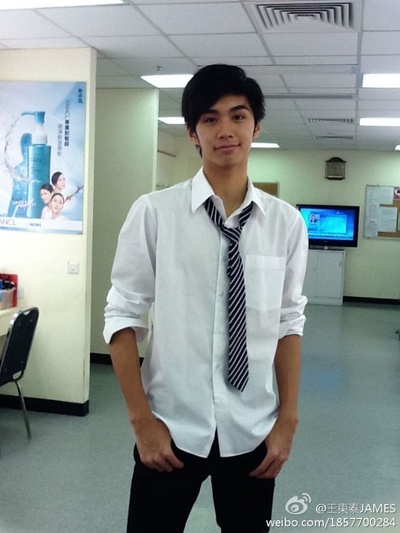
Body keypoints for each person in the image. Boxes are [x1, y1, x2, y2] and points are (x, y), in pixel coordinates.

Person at [104, 64, 308, 533]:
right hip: (170, 429)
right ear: (193, 133)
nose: (225, 130)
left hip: (252, 429)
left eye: (238, 116)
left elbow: (288, 323)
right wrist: (141, 423)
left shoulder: (286, 224)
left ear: (256, 126)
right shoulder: (155, 213)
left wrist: (287, 422)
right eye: (210, 119)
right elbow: (121, 317)